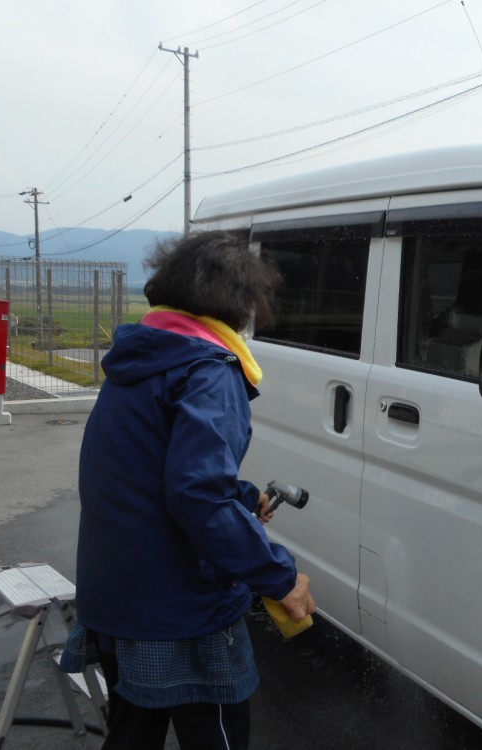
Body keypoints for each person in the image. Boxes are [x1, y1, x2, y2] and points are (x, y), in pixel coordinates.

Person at [60, 230, 315, 749]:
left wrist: (242, 498)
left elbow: (144, 471)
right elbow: (197, 496)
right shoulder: (209, 370)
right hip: (178, 606)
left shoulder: (142, 359)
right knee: (216, 735)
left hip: (116, 595)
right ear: (240, 301)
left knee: (132, 732)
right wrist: (279, 577)